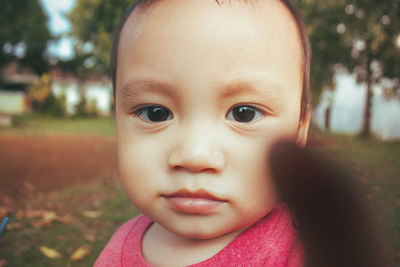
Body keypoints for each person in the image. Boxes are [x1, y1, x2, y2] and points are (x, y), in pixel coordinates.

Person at [95, 0, 384, 266]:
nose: (195, 155)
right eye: (155, 112)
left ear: (299, 130)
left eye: (243, 113)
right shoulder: (117, 249)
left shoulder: (305, 250)